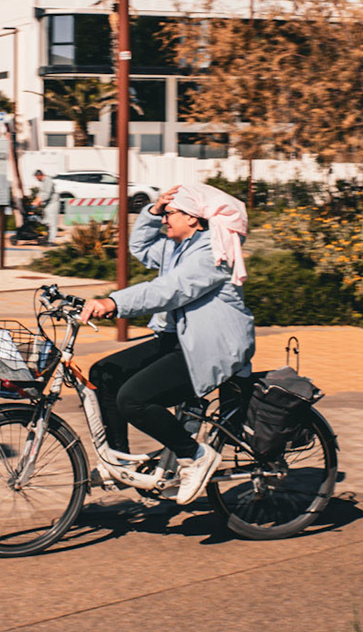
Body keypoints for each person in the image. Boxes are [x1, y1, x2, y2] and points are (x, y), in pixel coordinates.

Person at [81, 182, 254, 506]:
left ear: (193, 218)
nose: (164, 221)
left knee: (132, 399)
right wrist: (154, 209)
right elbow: (141, 247)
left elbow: (171, 289)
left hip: (210, 348)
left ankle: (196, 456)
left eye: (170, 214)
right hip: (179, 341)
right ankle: (119, 462)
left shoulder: (212, 251)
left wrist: (113, 303)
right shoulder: (178, 247)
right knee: (105, 372)